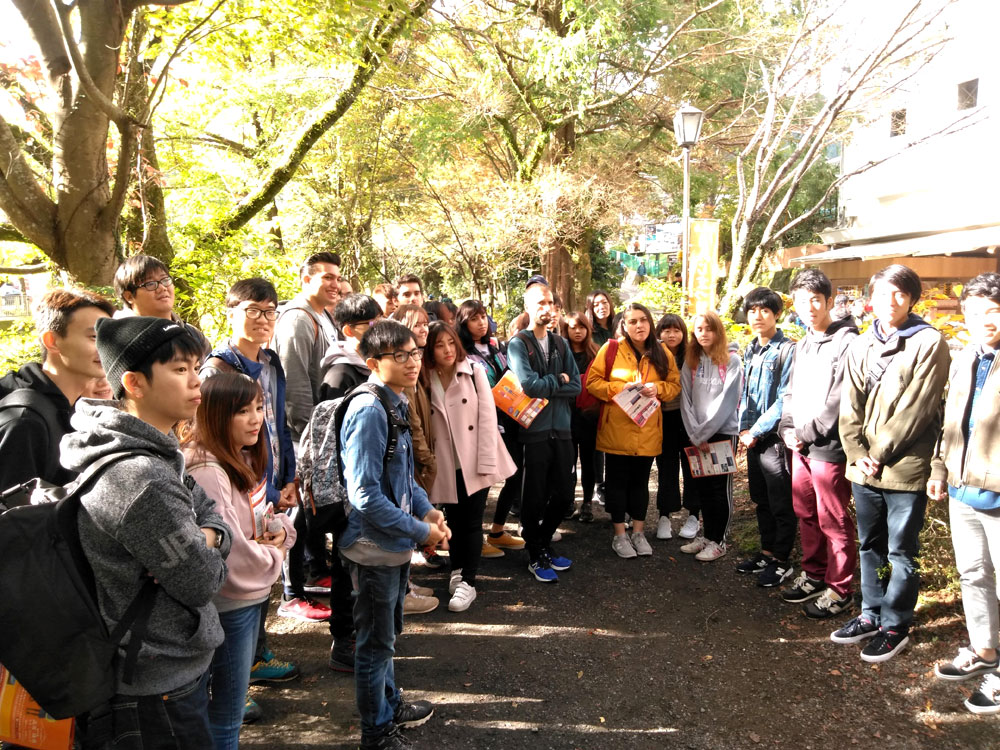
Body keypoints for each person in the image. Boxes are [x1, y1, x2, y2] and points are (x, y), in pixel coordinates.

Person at [63, 316, 233, 747]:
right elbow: (201, 581)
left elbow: (211, 514)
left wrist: (204, 537)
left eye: (197, 367)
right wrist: (204, 541)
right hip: (155, 688)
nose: (197, 381)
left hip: (156, 673)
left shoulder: (151, 453)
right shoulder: (142, 478)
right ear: (135, 384)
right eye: (180, 370)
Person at [338, 320, 449, 749]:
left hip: (392, 545)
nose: (412, 362)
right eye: (399, 356)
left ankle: (390, 704)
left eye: (415, 353)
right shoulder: (369, 410)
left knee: (386, 637)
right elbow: (364, 494)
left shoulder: (396, 401)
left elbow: (401, 478)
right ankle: (377, 732)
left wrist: (428, 510)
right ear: (372, 362)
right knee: (374, 644)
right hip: (371, 548)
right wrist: (422, 530)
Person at [832, 264, 949, 662]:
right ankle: (870, 613)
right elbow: (848, 406)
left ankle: (895, 623)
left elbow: (918, 408)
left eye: (900, 294)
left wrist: (877, 454)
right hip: (863, 466)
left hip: (904, 467)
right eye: (883, 293)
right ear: (871, 299)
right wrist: (856, 452)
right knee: (870, 545)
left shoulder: (929, 342)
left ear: (913, 298)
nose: (891, 301)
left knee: (901, 550)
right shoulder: (861, 344)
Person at [199, 278, 302, 698]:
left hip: (266, 475)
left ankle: (255, 656)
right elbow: (209, 434)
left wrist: (286, 476)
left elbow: (279, 421)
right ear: (231, 312)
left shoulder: (272, 361)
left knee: (264, 556)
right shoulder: (216, 370)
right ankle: (232, 680)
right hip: (233, 480)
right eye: (253, 310)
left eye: (270, 311)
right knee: (240, 571)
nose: (263, 320)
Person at [183, 374, 296, 749]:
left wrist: (279, 529)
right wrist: (277, 553)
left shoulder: (235, 455)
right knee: (227, 713)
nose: (255, 419)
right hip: (231, 601)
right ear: (215, 414)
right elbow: (230, 547)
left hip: (242, 597)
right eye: (242, 411)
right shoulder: (207, 469)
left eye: (259, 408)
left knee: (224, 709)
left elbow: (254, 516)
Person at [928, 272, 1000, 712]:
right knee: (973, 575)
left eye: (991, 311)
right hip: (962, 489)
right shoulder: (966, 358)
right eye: (973, 312)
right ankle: (985, 651)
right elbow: (950, 421)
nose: (981, 320)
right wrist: (940, 467)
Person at [776, 270, 859, 619]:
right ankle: (814, 574)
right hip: (800, 443)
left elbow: (842, 397)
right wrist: (787, 426)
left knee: (834, 518)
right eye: (801, 300)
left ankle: (841, 589)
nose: (809, 307)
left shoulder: (848, 341)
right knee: (806, 512)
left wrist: (807, 432)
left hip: (830, 445)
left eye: (816, 299)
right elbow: (791, 391)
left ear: (828, 300)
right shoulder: (804, 342)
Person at [423, 321, 515, 611]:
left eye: (451, 343)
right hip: (445, 463)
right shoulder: (424, 378)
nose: (448, 350)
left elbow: (488, 419)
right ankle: (457, 570)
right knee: (454, 521)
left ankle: (469, 581)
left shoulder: (474, 371)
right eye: (439, 345)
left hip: (474, 459)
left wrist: (487, 460)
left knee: (473, 522)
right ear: (430, 350)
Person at [587, 303, 680, 558]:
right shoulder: (611, 348)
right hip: (616, 428)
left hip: (647, 428)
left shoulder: (662, 352)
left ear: (650, 323)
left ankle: (638, 533)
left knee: (640, 483)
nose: (639, 326)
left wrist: (657, 389)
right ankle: (619, 535)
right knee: (617, 484)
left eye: (643, 320)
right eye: (632, 322)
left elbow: (674, 385)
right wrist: (621, 390)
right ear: (624, 326)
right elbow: (592, 382)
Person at [0, 288, 114, 492]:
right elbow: (14, 517)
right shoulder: (25, 421)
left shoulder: (74, 408)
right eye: (94, 337)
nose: (107, 348)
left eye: (109, 338)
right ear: (52, 341)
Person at [506, 279, 580, 582]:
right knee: (533, 497)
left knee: (563, 495)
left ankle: (544, 542)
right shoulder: (518, 343)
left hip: (562, 429)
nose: (546, 308)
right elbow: (528, 385)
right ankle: (535, 554)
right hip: (533, 432)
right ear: (528, 307)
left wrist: (555, 383)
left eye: (549, 302)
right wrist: (558, 381)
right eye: (539, 303)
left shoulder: (561, 344)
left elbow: (576, 384)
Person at [736, 287, 797, 588]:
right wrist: (744, 430)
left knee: (780, 501)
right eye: (752, 310)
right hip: (753, 437)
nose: (757, 316)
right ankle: (766, 552)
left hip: (774, 437)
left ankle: (782, 560)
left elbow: (785, 398)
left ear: (776, 314)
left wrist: (756, 430)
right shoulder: (750, 349)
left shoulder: (787, 350)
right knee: (761, 498)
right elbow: (747, 395)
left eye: (764, 310)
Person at [456, 300, 526, 553]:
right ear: (463, 323)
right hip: (481, 424)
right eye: (474, 318)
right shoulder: (460, 353)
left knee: (515, 474)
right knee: (483, 480)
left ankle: (497, 530)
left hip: (509, 420)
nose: (481, 322)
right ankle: (476, 538)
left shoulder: (496, 347)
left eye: (483, 316)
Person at [388, 304, 443, 614]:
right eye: (417, 324)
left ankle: (405, 584)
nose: (424, 329)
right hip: (413, 458)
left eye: (426, 324)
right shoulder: (402, 370)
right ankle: (403, 592)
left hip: (418, 458)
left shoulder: (417, 362)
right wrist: (425, 457)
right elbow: (412, 423)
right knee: (402, 519)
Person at [679, 311, 743, 562]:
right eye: (699, 329)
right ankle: (706, 536)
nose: (704, 333)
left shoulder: (732, 360)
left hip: (722, 433)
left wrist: (704, 432)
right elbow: (685, 397)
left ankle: (719, 541)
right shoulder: (692, 359)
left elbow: (728, 401)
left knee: (719, 490)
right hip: (696, 435)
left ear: (718, 331)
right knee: (703, 489)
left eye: (709, 329)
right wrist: (694, 432)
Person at [273, 251, 343, 443]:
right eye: (327, 277)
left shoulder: (325, 316)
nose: (335, 285)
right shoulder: (298, 319)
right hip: (303, 439)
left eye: (337, 278)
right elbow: (294, 383)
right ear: (306, 279)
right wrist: (311, 437)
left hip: (325, 429)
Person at [112, 254, 211, 357]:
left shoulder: (193, 334)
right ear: (129, 296)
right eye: (150, 284)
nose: (162, 288)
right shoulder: (118, 340)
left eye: (165, 280)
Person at [653, 314, 696, 540]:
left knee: (692, 467)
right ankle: (664, 516)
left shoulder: (693, 355)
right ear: (659, 333)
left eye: (676, 330)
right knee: (666, 467)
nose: (672, 335)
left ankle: (694, 515)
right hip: (664, 419)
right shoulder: (654, 355)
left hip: (689, 420)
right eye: (666, 330)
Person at [562, 312, 599, 523]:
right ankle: (568, 500)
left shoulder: (595, 353)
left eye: (582, 327)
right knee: (567, 462)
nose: (577, 331)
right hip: (566, 414)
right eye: (573, 327)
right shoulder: (560, 352)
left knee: (588, 460)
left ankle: (587, 502)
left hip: (589, 415)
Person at [320, 294, 382, 401]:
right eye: (372, 323)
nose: (380, 328)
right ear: (348, 331)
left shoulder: (377, 362)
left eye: (380, 321)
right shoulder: (339, 376)